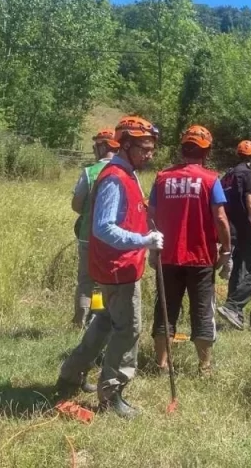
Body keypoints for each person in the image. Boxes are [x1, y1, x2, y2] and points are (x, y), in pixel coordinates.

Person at [56, 116, 163, 418]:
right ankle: (111, 394)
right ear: (126, 145)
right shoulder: (115, 177)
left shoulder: (127, 173)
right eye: (144, 148)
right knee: (128, 328)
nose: (150, 154)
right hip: (118, 268)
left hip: (118, 264)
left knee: (104, 323)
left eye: (152, 148)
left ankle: (69, 376)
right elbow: (104, 227)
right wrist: (144, 241)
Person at [149, 125, 232, 375]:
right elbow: (220, 218)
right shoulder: (210, 180)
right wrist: (226, 249)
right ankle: (205, 366)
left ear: (183, 148)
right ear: (205, 152)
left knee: (166, 308)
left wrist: (152, 248)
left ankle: (161, 364)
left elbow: (150, 215)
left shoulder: (162, 178)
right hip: (200, 257)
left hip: (168, 256)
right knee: (202, 311)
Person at [216, 140, 251, 330]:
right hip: (245, 230)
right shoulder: (247, 174)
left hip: (230, 231)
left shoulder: (228, 176)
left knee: (238, 271)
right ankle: (232, 306)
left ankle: (234, 316)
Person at [70, 129, 120, 327]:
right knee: (101, 283)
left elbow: (76, 205)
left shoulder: (89, 172)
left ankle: (79, 322)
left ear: (103, 146)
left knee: (85, 281)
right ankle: (96, 319)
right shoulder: (124, 172)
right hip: (112, 239)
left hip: (87, 237)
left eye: (95, 146)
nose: (93, 150)